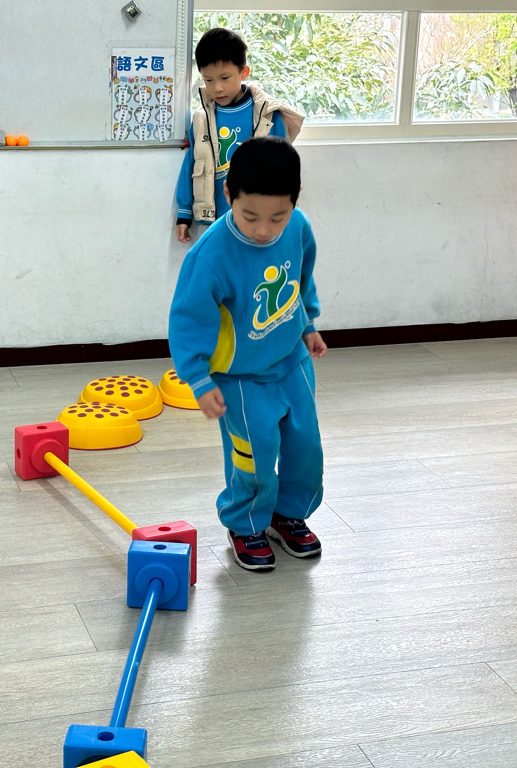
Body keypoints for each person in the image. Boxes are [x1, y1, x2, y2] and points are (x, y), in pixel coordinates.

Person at [168, 137, 326, 571]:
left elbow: (301, 279)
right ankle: (246, 524)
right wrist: (199, 380)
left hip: (292, 362)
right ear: (228, 194)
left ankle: (287, 515)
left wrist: (308, 324)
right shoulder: (210, 255)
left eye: (277, 216)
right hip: (240, 379)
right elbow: (188, 321)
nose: (263, 230)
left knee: (306, 448)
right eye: (249, 215)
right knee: (253, 455)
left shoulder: (298, 227)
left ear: (295, 200)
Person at [174, 28, 304, 244]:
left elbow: (285, 168)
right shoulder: (201, 118)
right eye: (208, 80)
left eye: (225, 78)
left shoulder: (267, 116)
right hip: (216, 221)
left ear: (244, 72)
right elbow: (192, 162)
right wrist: (184, 212)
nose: (217, 88)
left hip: (259, 219)